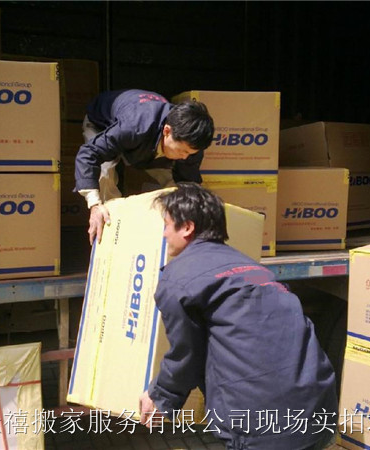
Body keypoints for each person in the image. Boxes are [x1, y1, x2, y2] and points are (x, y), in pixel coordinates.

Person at [138, 183, 338, 450]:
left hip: (263, 428)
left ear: (186, 227)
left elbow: (186, 354)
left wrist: (160, 397)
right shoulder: (250, 266)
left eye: (166, 225)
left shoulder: (179, 277)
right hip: (318, 409)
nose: (164, 234)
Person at [74, 89, 214, 245]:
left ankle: (173, 229)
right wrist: (94, 205)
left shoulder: (191, 144)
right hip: (101, 124)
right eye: (182, 151)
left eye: (190, 153)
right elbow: (88, 154)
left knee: (175, 188)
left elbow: (187, 181)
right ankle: (112, 232)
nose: (185, 157)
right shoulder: (135, 126)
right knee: (105, 174)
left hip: (145, 140)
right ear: (167, 131)